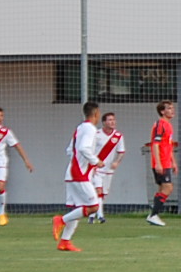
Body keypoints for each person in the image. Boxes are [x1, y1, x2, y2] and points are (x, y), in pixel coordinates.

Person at [51, 102, 110, 253]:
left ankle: (64, 242)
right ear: (96, 113)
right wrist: (96, 161)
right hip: (79, 175)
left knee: (77, 209)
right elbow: (83, 148)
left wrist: (79, 162)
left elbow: (69, 150)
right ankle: (60, 220)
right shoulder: (90, 129)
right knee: (93, 206)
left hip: (73, 172)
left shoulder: (80, 127)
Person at [90, 112, 126, 223]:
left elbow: (121, 152)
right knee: (98, 191)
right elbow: (90, 150)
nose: (112, 122)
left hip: (108, 169)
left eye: (113, 120)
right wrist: (94, 162)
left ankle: (92, 215)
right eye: (110, 120)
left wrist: (116, 162)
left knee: (103, 193)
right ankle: (100, 216)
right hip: (96, 168)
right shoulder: (97, 134)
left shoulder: (118, 136)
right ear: (104, 122)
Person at [146, 101, 176, 226]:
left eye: (172, 108)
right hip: (161, 162)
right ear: (162, 111)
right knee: (168, 188)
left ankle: (153, 214)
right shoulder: (160, 124)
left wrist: (173, 161)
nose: (172, 110)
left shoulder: (168, 125)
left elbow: (167, 145)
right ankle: (153, 215)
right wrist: (158, 163)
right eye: (169, 108)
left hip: (166, 162)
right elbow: (155, 144)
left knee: (163, 188)